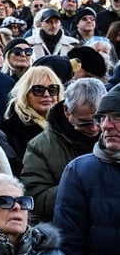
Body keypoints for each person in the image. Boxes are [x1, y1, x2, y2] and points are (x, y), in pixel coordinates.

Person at [53, 84, 120, 255]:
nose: (105, 125)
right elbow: (70, 247)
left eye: (117, 116)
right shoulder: (80, 171)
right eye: (103, 117)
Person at [21, 78, 106, 224]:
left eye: (99, 120)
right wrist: (79, 185)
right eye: (84, 122)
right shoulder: (40, 147)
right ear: (67, 111)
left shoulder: (114, 138)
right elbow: (35, 200)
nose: (94, 128)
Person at [0, 66, 64, 167]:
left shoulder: (69, 126)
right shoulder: (8, 131)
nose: (46, 94)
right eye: (38, 90)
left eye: (52, 89)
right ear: (25, 94)